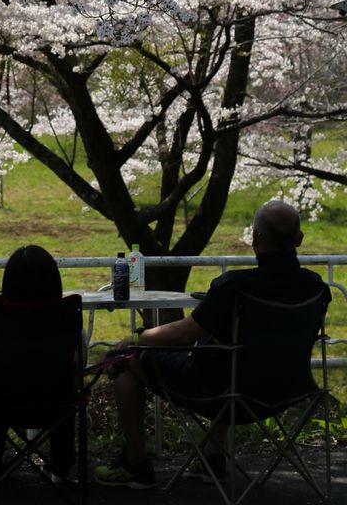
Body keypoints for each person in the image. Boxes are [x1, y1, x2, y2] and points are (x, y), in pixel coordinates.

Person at [94, 201, 331, 490]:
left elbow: (185, 334)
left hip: (221, 393)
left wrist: (138, 337)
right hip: (286, 389)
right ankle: (212, 457)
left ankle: (136, 464)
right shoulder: (316, 287)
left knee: (123, 358)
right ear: (299, 239)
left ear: (254, 238)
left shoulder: (236, 285)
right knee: (235, 363)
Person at [0, 244, 77, 482]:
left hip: (0, 403)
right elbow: (76, 370)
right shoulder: (67, 318)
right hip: (55, 405)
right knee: (68, 391)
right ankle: (61, 468)